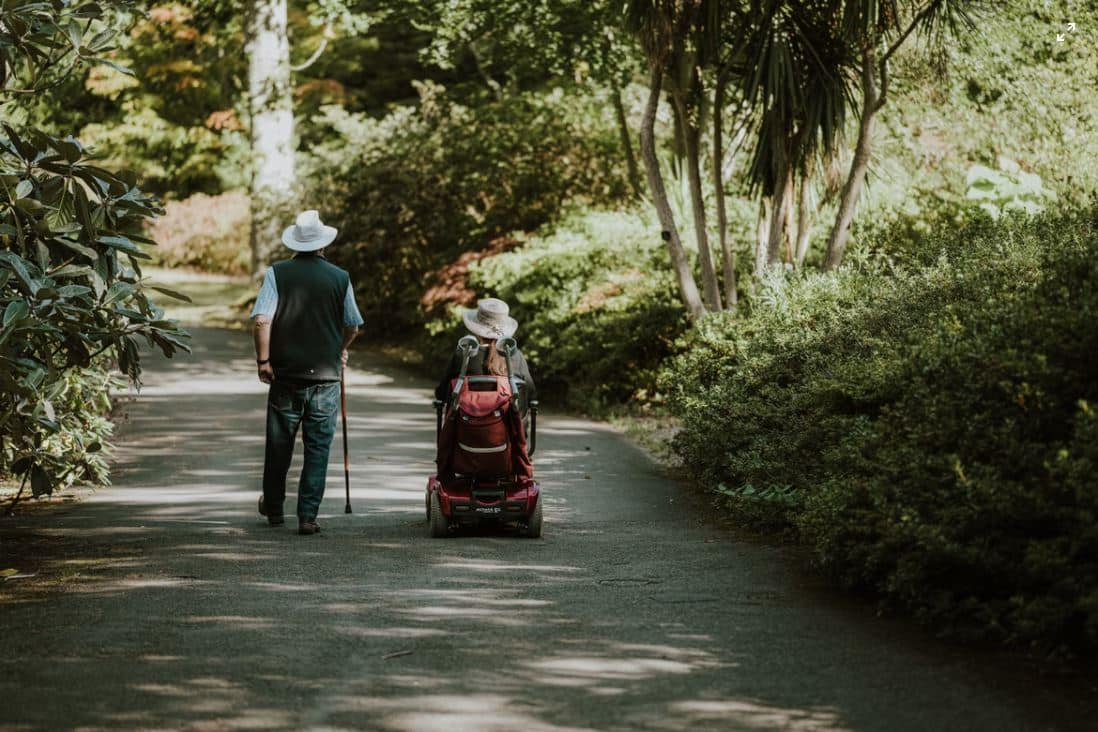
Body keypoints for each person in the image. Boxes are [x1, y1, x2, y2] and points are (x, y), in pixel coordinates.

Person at [251, 210, 364, 535]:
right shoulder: (340, 277)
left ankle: (274, 509)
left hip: (285, 376)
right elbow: (353, 325)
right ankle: (307, 516)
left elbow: (261, 320)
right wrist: (339, 349)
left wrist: (263, 361)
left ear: (296, 243)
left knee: (279, 446)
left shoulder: (278, 273)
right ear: (323, 244)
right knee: (318, 448)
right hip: (326, 379)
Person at [434, 298, 536, 416]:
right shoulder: (514, 356)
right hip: (507, 428)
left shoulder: (463, 354)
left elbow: (442, 393)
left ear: (477, 330)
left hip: (465, 428)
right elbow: (531, 395)